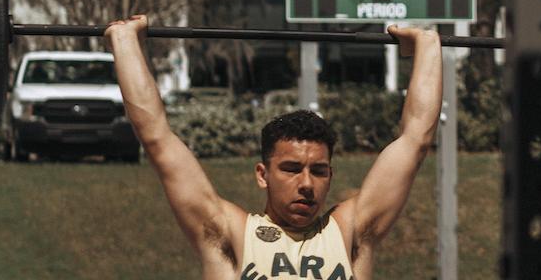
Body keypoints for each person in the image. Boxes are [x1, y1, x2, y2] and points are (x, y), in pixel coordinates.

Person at [105, 15, 442, 280]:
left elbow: (415, 140)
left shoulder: (350, 233)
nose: (307, 184)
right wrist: (124, 40)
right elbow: (157, 138)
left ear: (330, 174)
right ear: (263, 174)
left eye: (318, 171)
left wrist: (427, 46)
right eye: (292, 169)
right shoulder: (230, 235)